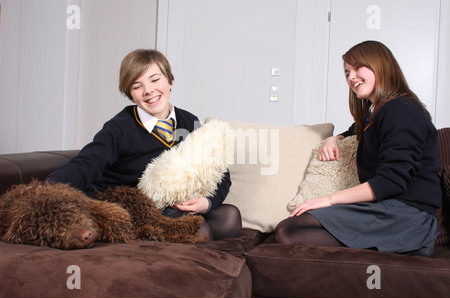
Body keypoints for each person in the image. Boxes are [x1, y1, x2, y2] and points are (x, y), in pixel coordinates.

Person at [47, 49, 241, 241]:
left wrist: (206, 203)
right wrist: (47, 190)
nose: (148, 90)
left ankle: (184, 249)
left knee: (230, 217)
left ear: (170, 81)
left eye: (155, 80)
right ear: (131, 95)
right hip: (134, 208)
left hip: (174, 205)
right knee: (199, 230)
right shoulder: (120, 126)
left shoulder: (189, 121)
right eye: (137, 86)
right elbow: (87, 162)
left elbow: (220, 174)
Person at [275, 40, 441, 256]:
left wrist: (329, 200)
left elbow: (391, 181)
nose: (351, 77)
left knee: (290, 231)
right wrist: (334, 139)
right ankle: (381, 248)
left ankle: (402, 247)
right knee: (291, 228)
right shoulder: (378, 112)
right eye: (347, 73)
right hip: (387, 208)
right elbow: (355, 129)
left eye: (357, 68)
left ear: (380, 65)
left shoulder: (401, 109)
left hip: (408, 216)